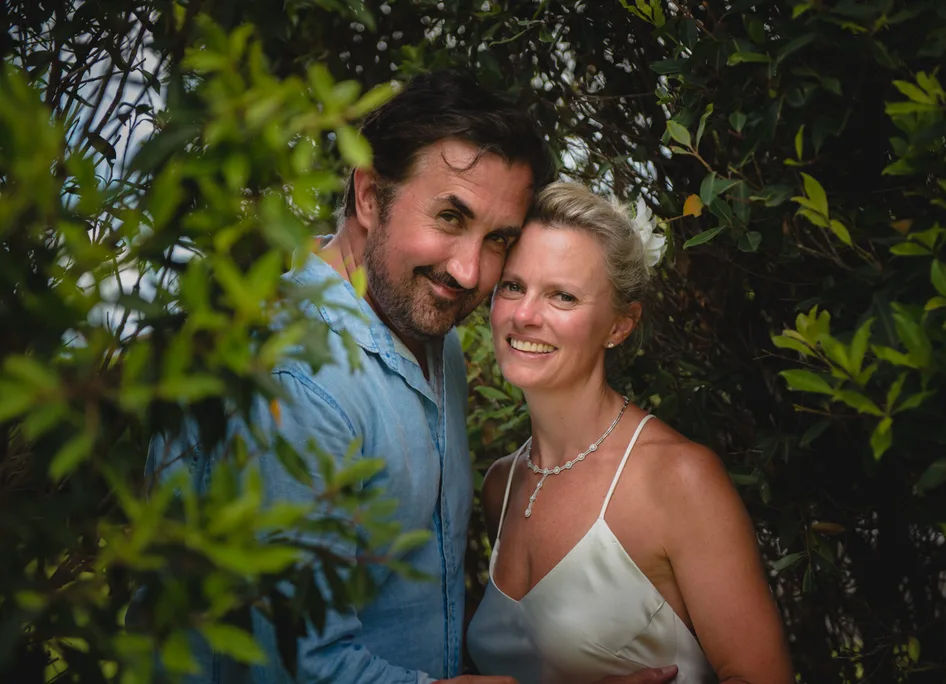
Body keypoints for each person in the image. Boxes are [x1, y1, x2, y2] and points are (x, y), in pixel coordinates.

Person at [139, 72, 677, 684]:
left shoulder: (428, 333)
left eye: (497, 239)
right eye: (450, 216)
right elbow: (289, 669)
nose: (469, 272)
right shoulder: (297, 378)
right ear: (370, 196)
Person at [467, 183, 794, 684]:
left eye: (562, 296)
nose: (525, 315)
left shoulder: (678, 479)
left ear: (619, 326)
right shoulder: (502, 486)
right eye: (512, 286)